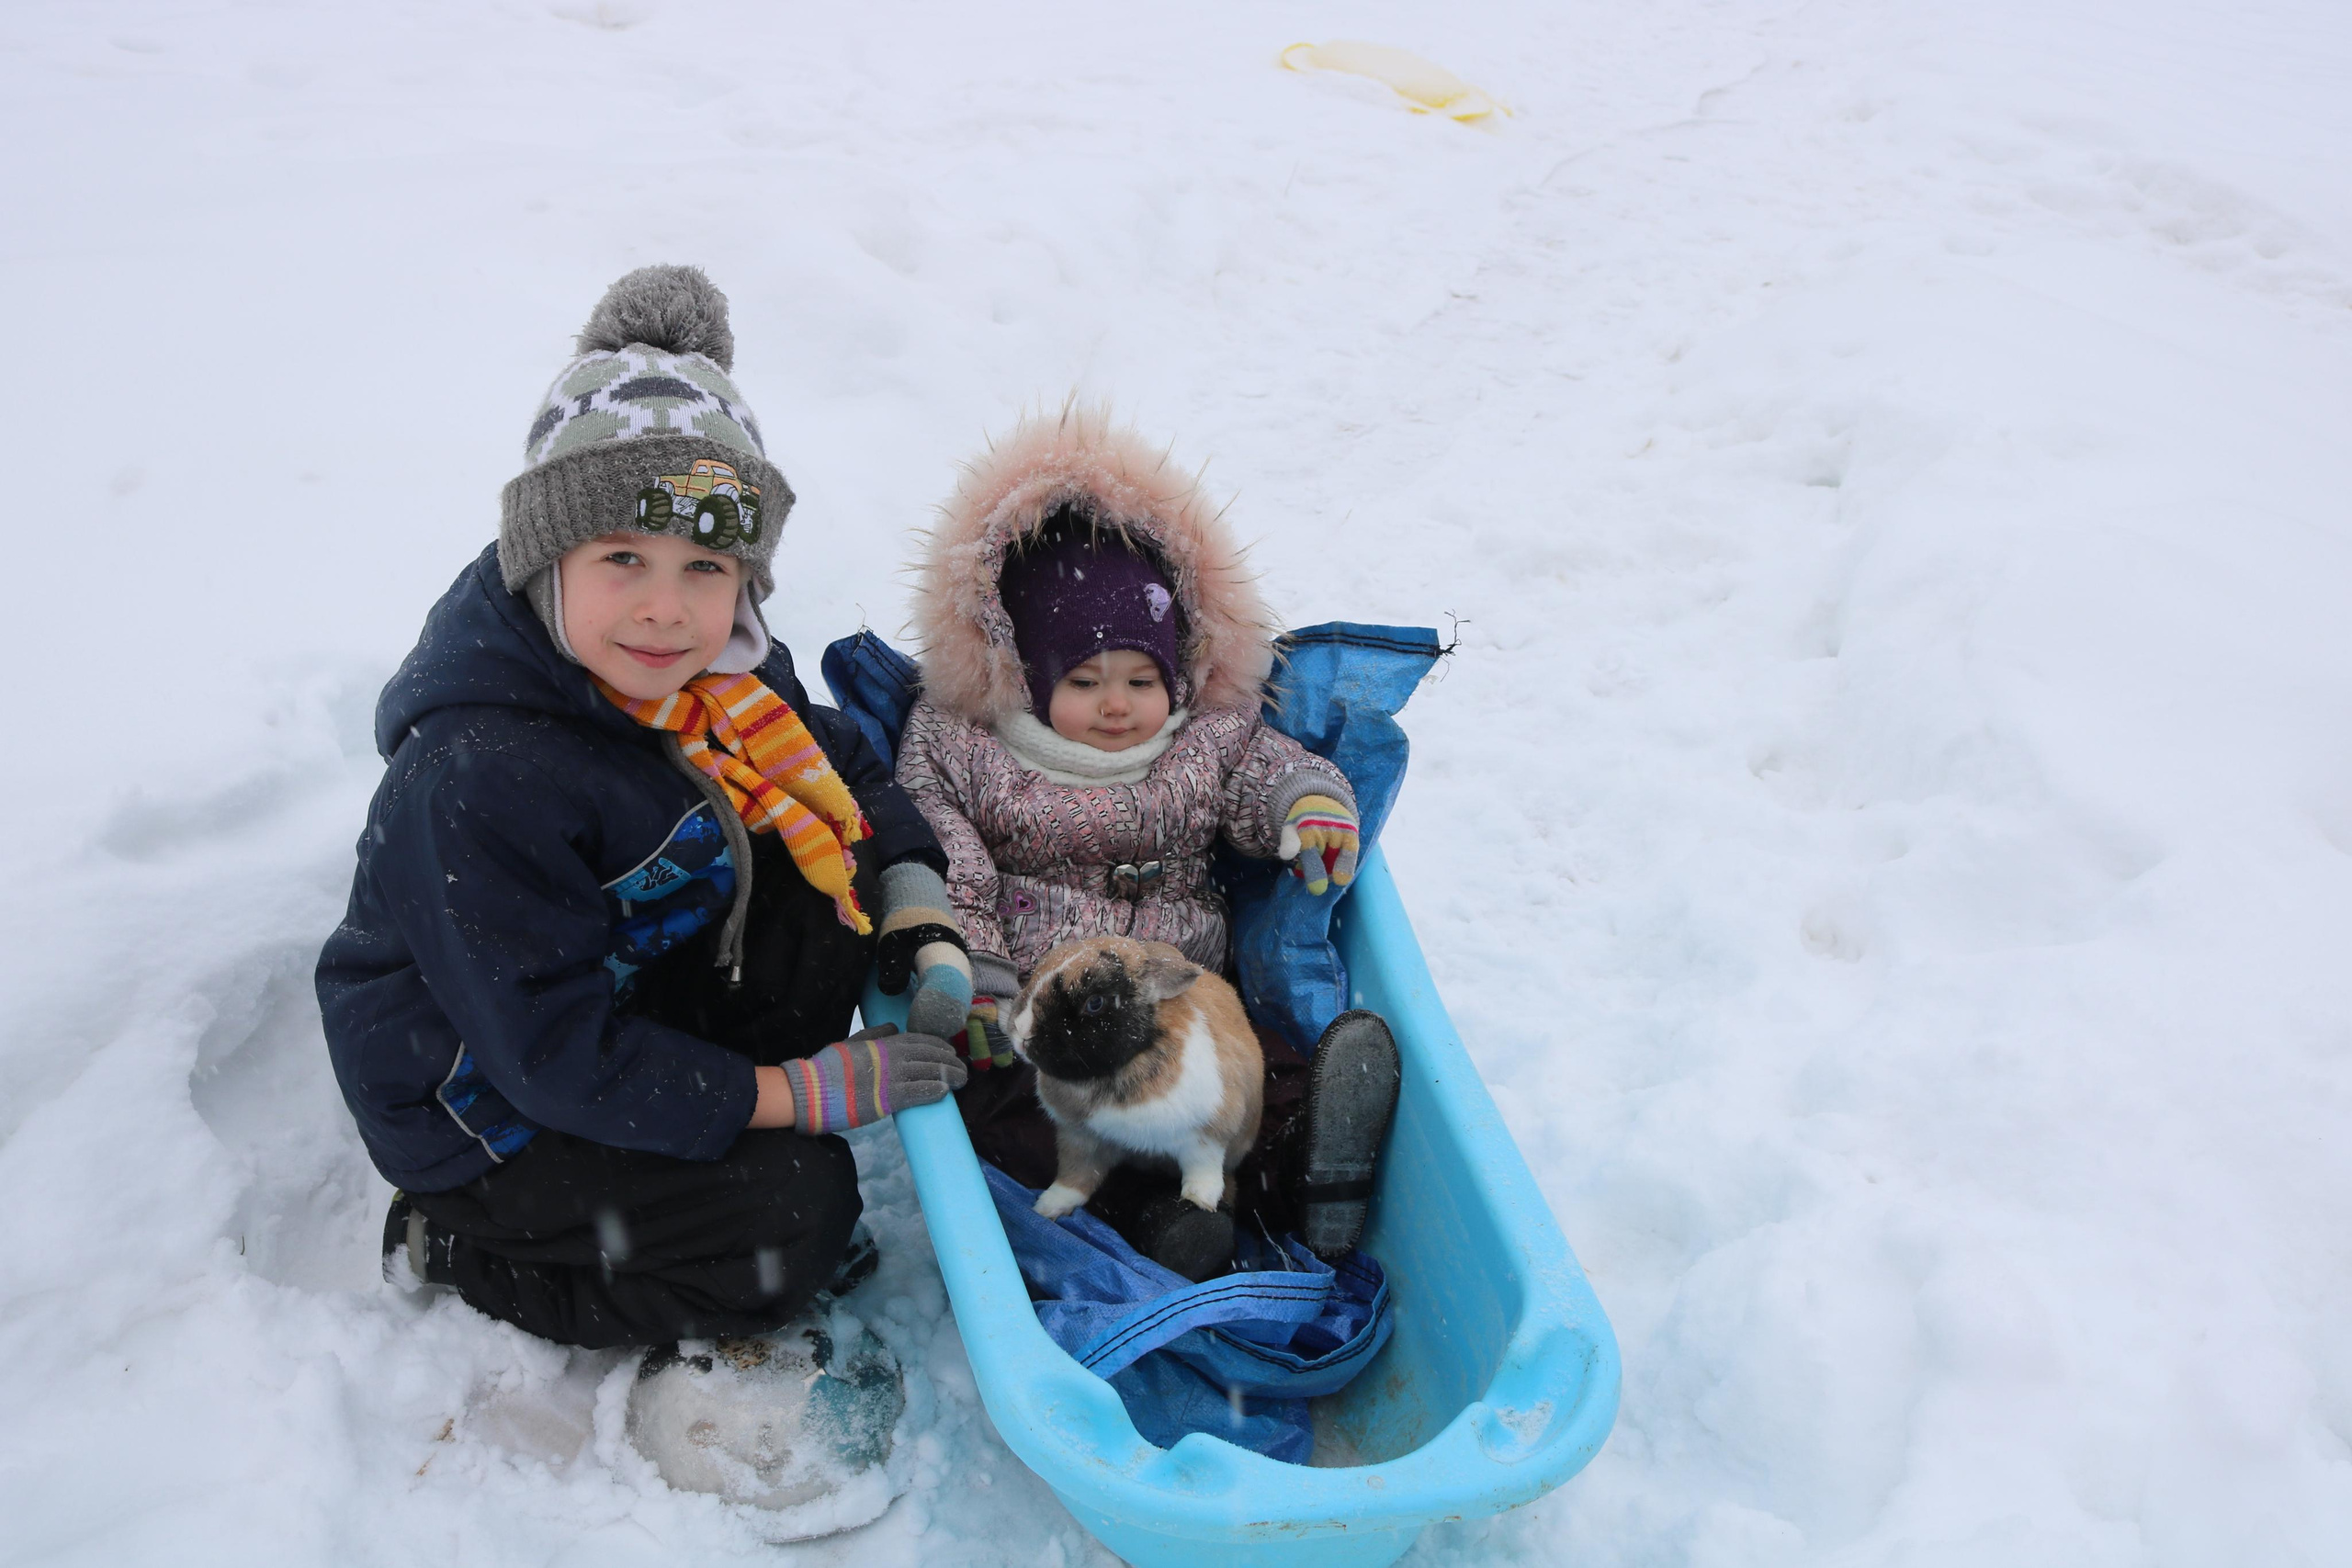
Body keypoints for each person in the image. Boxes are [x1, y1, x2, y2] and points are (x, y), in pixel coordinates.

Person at [316, 266, 975, 1356]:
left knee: (834, 900)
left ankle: (701, 1142)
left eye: (704, 565)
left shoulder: (715, 668)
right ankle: (457, 1246)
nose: (666, 608)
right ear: (547, 560)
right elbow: (551, 1056)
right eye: (622, 559)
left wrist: (915, 906)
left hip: (617, 984)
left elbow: (841, 764)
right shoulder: (482, 773)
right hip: (485, 1102)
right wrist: (791, 1097)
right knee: (793, 1217)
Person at [893, 405, 1401, 1280]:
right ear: (1026, 676)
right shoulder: (968, 748)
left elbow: (1264, 769)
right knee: (1021, 1117)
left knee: (1264, 1074)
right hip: (1049, 1006)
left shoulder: (1207, 736)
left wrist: (1306, 803)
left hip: (1189, 997)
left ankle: (1302, 1169)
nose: (1118, 704)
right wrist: (976, 972)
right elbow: (949, 863)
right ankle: (1160, 1221)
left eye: (1142, 678)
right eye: (1084, 681)